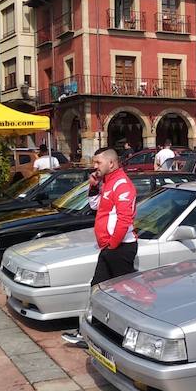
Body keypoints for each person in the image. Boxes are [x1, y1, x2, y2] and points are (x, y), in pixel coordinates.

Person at [62, 148, 137, 348]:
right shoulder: (108, 183)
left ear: (111, 163)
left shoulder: (122, 184)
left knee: (124, 295)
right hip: (109, 248)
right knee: (97, 288)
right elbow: (96, 206)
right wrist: (94, 187)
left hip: (121, 248)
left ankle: (127, 338)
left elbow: (124, 219)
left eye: (98, 163)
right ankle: (90, 331)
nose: (94, 167)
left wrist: (112, 244)